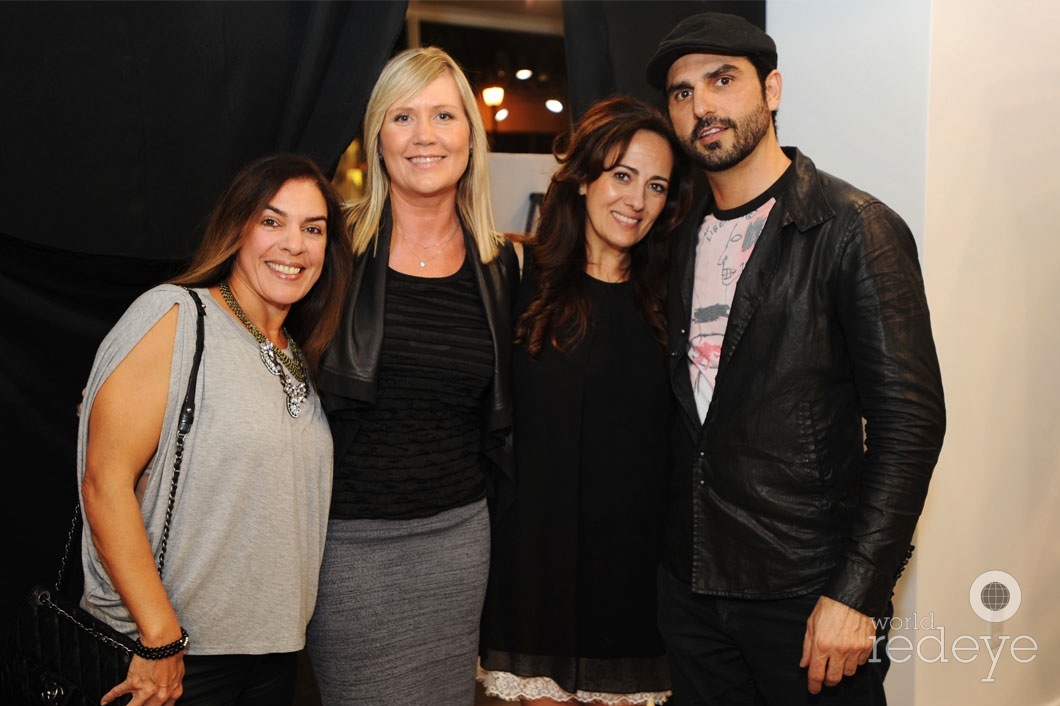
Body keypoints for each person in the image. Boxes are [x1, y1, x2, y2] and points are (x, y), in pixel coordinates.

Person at [643, 12, 947, 705]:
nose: (702, 106)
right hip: (691, 593)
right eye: (682, 92)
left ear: (771, 89)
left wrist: (859, 592)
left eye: (723, 80)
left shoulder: (853, 227)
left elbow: (910, 426)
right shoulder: (681, 239)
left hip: (807, 593)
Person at [77, 153, 352, 706]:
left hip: (273, 654)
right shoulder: (176, 316)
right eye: (272, 221)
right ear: (237, 229)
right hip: (168, 656)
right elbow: (104, 483)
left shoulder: (299, 352)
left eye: (313, 228)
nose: (294, 244)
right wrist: (159, 637)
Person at [307, 46, 518, 704]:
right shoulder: (328, 246)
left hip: (458, 543)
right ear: (376, 137)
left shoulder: (500, 265)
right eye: (403, 116)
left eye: (443, 117)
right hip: (347, 548)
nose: (424, 136)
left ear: (470, 137)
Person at [477, 95, 693, 706]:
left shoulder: (671, 304)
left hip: (632, 581)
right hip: (531, 571)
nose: (637, 200)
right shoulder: (516, 278)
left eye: (656, 186)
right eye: (622, 176)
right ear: (583, 180)